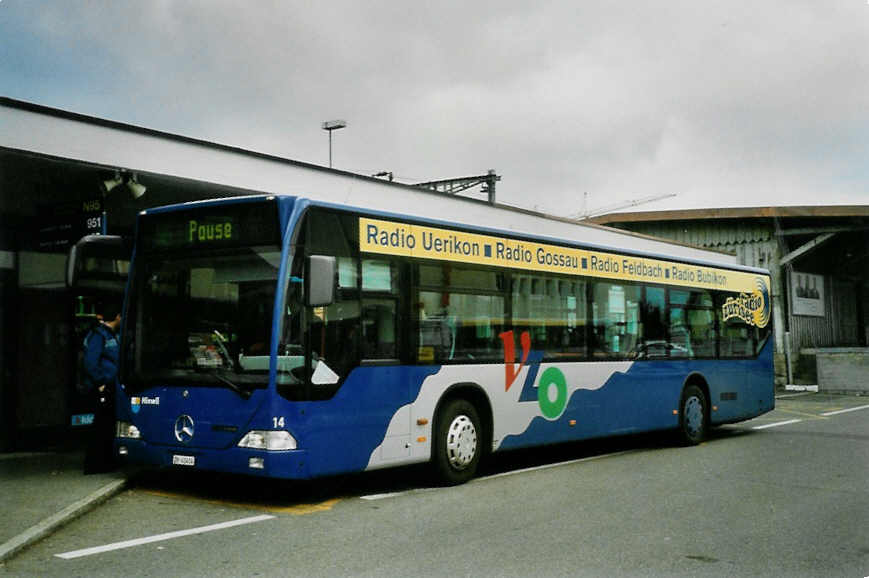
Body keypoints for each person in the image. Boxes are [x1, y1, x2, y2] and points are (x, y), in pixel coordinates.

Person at [82, 301, 121, 474]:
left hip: (109, 386)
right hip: (102, 387)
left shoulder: (109, 334)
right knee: (100, 426)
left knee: (106, 425)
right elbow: (90, 362)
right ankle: (95, 464)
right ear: (117, 317)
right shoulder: (100, 335)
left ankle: (104, 462)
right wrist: (100, 383)